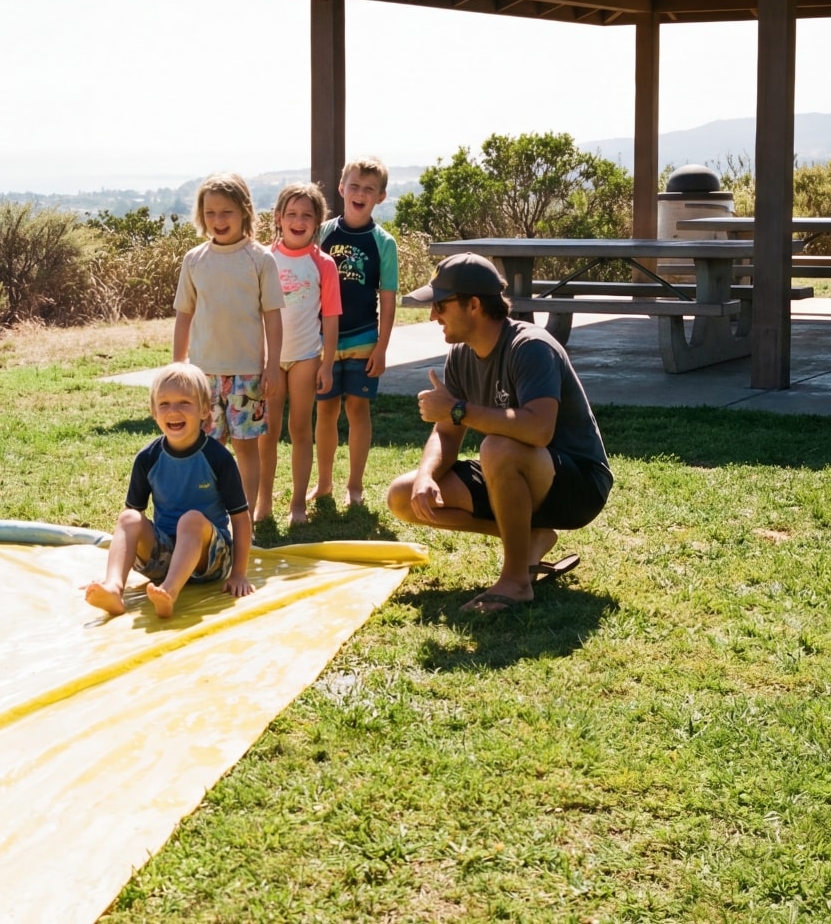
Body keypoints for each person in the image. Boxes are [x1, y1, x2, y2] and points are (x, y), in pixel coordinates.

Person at [385, 253, 612, 614]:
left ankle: (516, 581)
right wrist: (426, 476)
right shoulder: (461, 355)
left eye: (440, 305)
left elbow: (538, 429)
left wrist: (459, 410)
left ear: (474, 305)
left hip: (579, 485)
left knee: (498, 447)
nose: (432, 316)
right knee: (403, 495)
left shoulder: (531, 347)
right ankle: (532, 539)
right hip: (515, 471)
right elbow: (446, 435)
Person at [86, 362, 254, 619]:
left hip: (210, 560)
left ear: (205, 410)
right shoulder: (148, 458)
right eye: (164, 404)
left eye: (184, 402)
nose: (173, 411)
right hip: (164, 557)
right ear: (153, 412)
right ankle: (113, 588)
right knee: (128, 517)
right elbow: (131, 526)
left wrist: (239, 573)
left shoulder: (218, 458)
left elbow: (241, 518)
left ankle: (169, 592)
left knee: (191, 519)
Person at [173, 172, 285, 517]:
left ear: (244, 211)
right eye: (210, 213)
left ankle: (245, 517)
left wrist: (272, 366)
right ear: (201, 215)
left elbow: (273, 318)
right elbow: (184, 316)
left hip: (247, 374)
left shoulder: (261, 259)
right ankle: (206, 514)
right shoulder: (194, 260)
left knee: (246, 448)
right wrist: (178, 368)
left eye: (227, 212)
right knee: (205, 447)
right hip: (202, 374)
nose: (218, 220)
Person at [315, 156, 399, 507]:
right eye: (354, 186)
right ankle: (323, 484)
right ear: (341, 188)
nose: (360, 193)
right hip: (323, 341)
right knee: (326, 411)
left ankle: (355, 486)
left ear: (380, 196)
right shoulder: (322, 233)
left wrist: (382, 347)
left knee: (358, 410)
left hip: (364, 338)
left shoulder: (384, 243)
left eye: (369, 189)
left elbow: (388, 300)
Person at [261, 182, 342, 526]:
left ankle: (297, 504)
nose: (298, 221)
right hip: (269, 360)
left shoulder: (324, 264)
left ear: (317, 222)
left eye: (307, 215)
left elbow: (331, 317)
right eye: (291, 214)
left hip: (306, 357)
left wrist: (327, 364)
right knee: (267, 431)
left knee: (300, 429)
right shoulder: (264, 258)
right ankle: (263, 503)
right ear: (278, 218)